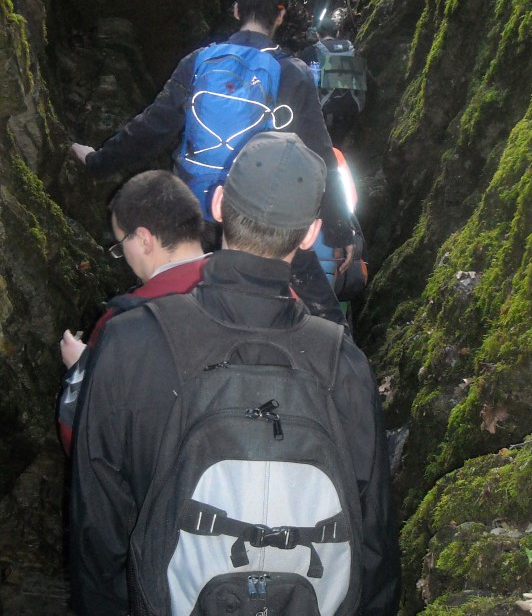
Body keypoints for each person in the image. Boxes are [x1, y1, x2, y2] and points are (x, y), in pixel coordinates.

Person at [69, 132, 400, 616]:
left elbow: (96, 533)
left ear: (218, 204)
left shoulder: (130, 343)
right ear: (310, 234)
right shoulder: (344, 364)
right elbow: (375, 546)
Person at [70, 0, 353, 323]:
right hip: (260, 226)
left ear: (236, 10)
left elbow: (151, 128)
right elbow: (321, 158)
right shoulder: (292, 74)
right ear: (280, 15)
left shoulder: (199, 61)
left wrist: (96, 161)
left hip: (196, 221)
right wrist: (339, 230)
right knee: (328, 322)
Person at [58, 170, 208, 454]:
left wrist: (82, 371)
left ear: (143, 240)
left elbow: (82, 444)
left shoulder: (124, 322)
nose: (124, 255)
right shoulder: (262, 289)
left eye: (121, 244)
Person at [300, 16, 368, 148]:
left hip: (323, 111)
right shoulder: (352, 52)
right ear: (337, 33)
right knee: (338, 145)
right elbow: (368, 81)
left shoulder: (309, 52)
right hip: (350, 109)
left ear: (317, 34)